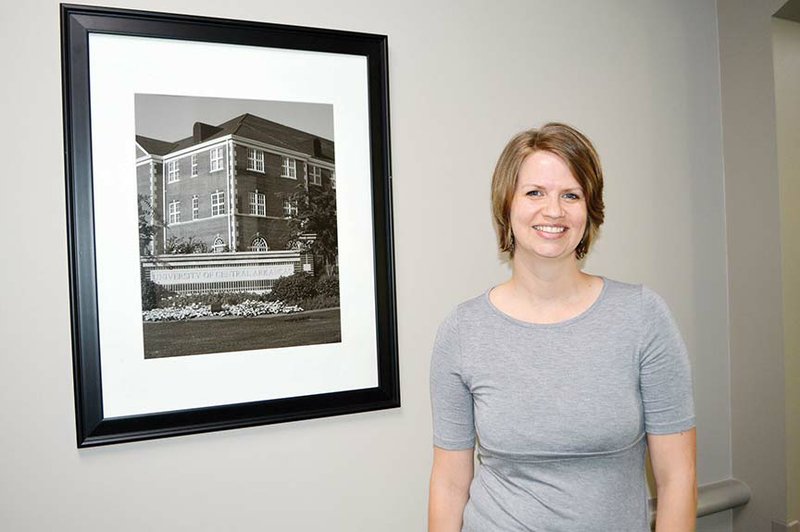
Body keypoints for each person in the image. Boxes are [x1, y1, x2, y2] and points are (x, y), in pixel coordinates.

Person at [428, 123, 697, 531]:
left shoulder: (642, 316)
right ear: (506, 204)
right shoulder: (462, 331)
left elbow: (678, 478)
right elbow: (449, 483)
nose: (552, 211)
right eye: (534, 192)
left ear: (589, 210)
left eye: (570, 195)